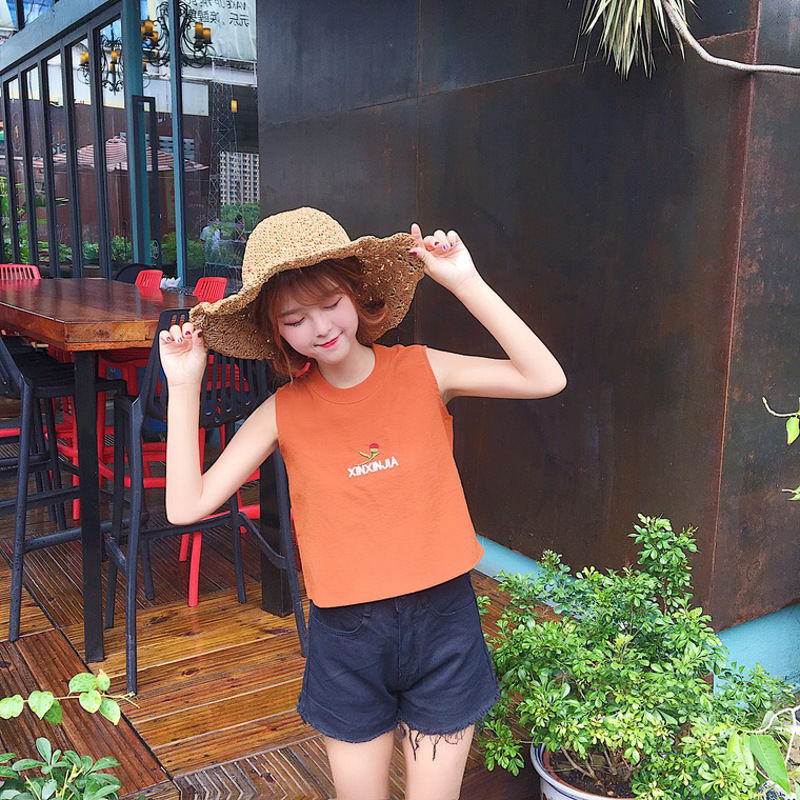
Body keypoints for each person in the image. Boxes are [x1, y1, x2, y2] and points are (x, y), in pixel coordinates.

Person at [159, 207, 566, 800]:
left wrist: (465, 282)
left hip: (444, 623)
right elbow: (185, 505)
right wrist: (184, 384)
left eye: (330, 303)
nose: (320, 327)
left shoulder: (424, 369)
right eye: (295, 319)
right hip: (347, 638)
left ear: (357, 293)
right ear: (276, 332)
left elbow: (545, 377)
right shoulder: (281, 411)